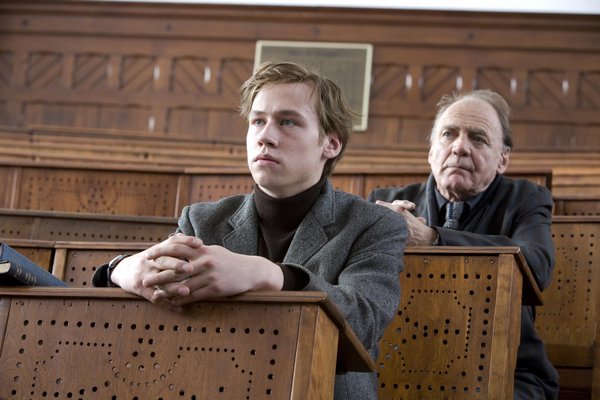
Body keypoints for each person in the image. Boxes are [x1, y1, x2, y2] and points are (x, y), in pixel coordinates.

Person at [92, 60, 408, 400]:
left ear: (331, 143)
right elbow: (161, 294)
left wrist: (269, 275)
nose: (265, 136)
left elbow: (364, 321)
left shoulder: (374, 223)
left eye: (287, 122)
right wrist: (119, 269)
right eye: (258, 121)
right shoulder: (202, 220)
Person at [369, 89, 559, 399]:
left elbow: (537, 267)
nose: (459, 147)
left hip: (506, 371)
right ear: (431, 150)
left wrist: (433, 239)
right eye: (448, 135)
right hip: (397, 366)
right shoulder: (387, 203)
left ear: (503, 159)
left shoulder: (526, 199)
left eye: (478, 138)